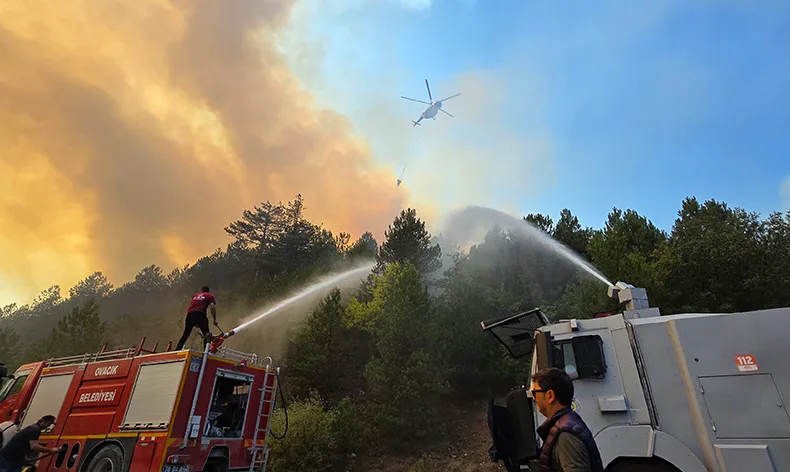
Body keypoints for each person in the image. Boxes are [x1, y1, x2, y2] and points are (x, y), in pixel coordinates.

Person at [530, 368, 604, 472]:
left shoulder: (566, 435)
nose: (534, 398)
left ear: (550, 395)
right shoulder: (566, 425)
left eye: (535, 393)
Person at [176, 285, 219, 350]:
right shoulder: (210, 296)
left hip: (190, 315)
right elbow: (212, 307)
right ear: (208, 291)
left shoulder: (195, 296)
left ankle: (177, 350)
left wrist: (195, 322)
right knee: (207, 335)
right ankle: (205, 352)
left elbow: (194, 306)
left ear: (201, 290)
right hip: (200, 314)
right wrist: (214, 320)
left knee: (185, 335)